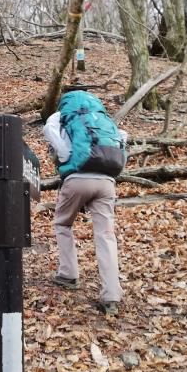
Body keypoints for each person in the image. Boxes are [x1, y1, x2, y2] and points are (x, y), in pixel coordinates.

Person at [43, 90, 128, 316]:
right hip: (107, 181)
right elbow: (123, 137)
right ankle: (111, 296)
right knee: (106, 235)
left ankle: (68, 274)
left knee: (62, 224)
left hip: (78, 179)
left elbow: (52, 134)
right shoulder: (102, 118)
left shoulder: (63, 116)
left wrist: (65, 159)